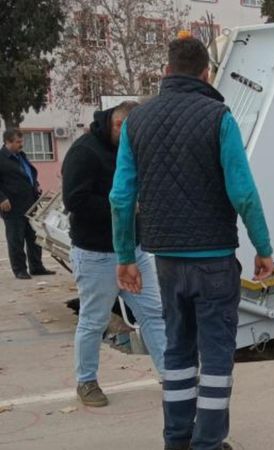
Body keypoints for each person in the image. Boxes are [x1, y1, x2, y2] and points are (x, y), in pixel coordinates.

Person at [110, 35, 274, 450]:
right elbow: (244, 193)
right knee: (216, 358)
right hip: (215, 261)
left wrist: (126, 256)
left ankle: (176, 438)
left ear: (166, 72)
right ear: (206, 73)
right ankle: (208, 443)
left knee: (178, 354)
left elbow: (121, 196)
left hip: (165, 261)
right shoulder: (218, 117)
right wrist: (264, 248)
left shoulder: (135, 122)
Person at [62, 102, 167, 407]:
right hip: (96, 255)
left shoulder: (131, 150)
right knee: (94, 321)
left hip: (133, 252)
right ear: (116, 123)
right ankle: (86, 382)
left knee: (154, 314)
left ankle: (170, 375)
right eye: (130, 131)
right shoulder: (84, 152)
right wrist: (122, 207)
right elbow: (75, 201)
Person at [0, 129, 55, 279]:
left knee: (33, 237)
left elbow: (27, 174)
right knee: (16, 239)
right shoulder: (2, 158)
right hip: (12, 206)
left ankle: (36, 267)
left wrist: (35, 185)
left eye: (21, 141)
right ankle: (19, 269)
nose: (21, 144)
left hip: (30, 203)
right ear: (8, 142)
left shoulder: (21, 156)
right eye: (18, 142)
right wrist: (1, 198)